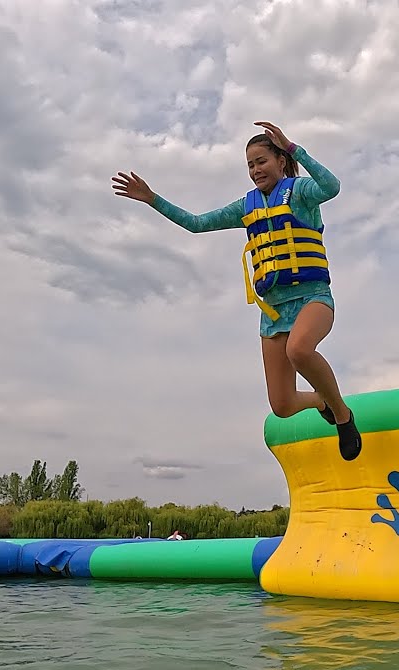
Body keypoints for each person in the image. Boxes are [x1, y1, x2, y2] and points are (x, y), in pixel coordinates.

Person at [112, 121, 362, 461]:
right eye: (250, 165)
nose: (256, 170)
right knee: (283, 406)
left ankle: (344, 417)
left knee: (299, 349)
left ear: (280, 161)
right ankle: (323, 400)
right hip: (273, 312)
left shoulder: (301, 192)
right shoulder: (246, 207)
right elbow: (197, 224)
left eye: (262, 161)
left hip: (312, 297)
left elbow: (331, 187)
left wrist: (294, 147)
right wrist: (152, 199)